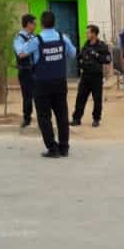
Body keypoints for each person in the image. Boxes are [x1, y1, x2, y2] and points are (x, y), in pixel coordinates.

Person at [21, 11, 77, 158]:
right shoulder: (63, 38)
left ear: (41, 23)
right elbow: (72, 54)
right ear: (54, 22)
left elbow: (22, 53)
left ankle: (52, 148)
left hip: (42, 84)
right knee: (62, 115)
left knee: (44, 117)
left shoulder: (36, 40)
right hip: (60, 82)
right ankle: (64, 147)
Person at [71, 25, 111, 127]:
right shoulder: (86, 45)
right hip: (85, 76)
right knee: (80, 97)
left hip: (96, 76)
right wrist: (81, 64)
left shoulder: (101, 46)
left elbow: (107, 59)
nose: (86, 34)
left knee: (97, 99)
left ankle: (96, 119)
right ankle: (76, 119)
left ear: (94, 33)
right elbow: (79, 57)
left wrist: (96, 54)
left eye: (88, 32)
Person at [13, 14, 37, 128]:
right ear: (28, 24)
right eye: (34, 23)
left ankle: (42, 117)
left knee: (39, 95)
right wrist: (32, 47)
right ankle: (27, 118)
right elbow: (20, 53)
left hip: (36, 70)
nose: (36, 25)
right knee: (27, 96)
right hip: (25, 71)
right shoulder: (19, 38)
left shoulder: (34, 37)